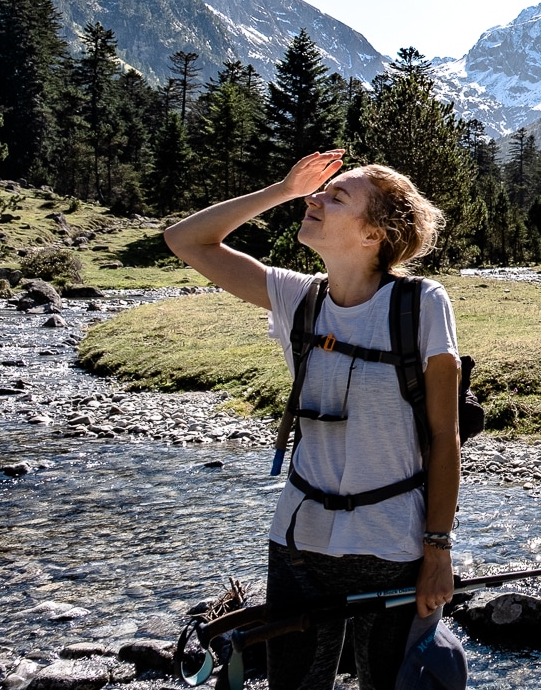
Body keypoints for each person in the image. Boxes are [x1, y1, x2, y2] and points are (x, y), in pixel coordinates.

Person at [164, 150, 461, 690]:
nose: (315, 199)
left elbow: (446, 436)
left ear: (374, 235)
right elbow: (186, 241)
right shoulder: (297, 298)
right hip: (298, 544)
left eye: (336, 196)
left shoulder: (422, 304)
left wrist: (438, 550)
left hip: (392, 544)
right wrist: (279, 189)